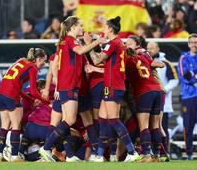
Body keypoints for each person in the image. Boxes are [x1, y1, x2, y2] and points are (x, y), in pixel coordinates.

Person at [39, 16, 103, 162]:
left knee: (75, 119)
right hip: (68, 85)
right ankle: (47, 147)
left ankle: (49, 148)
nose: (82, 28)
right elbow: (79, 52)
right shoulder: (70, 40)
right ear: (72, 27)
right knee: (70, 119)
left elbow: (84, 62)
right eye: (80, 25)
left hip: (73, 87)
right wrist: (97, 42)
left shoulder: (68, 42)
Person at [88, 16, 140, 162]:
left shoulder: (114, 43)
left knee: (114, 119)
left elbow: (98, 59)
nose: (103, 30)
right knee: (103, 119)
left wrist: (90, 44)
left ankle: (132, 151)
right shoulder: (118, 44)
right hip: (111, 84)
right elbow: (109, 64)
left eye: (105, 27)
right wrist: (96, 39)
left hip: (113, 86)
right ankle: (99, 155)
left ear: (110, 29)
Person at [0, 48, 47, 162]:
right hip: (11, 95)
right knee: (16, 126)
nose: (44, 64)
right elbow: (33, 91)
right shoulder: (32, 67)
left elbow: (18, 88)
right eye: (44, 60)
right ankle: (14, 156)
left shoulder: (20, 62)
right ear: (38, 58)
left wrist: (30, 99)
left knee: (4, 125)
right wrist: (46, 101)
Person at [126, 36, 165, 162]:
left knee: (144, 125)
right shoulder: (144, 56)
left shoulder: (127, 59)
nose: (126, 45)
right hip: (157, 90)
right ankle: (157, 155)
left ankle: (147, 154)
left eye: (129, 43)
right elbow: (158, 63)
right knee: (155, 126)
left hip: (144, 92)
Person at [177, 33, 197, 160]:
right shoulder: (183, 58)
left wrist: (193, 75)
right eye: (192, 42)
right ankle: (189, 154)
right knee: (187, 127)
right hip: (187, 97)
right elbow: (184, 76)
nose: (194, 44)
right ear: (189, 44)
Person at [147, 41, 179, 155]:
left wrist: (164, 89)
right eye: (148, 48)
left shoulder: (166, 63)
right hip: (149, 101)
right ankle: (153, 152)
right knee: (150, 127)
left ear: (158, 49)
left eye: (152, 48)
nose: (150, 50)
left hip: (163, 102)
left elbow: (175, 80)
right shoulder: (145, 61)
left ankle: (164, 152)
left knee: (162, 127)